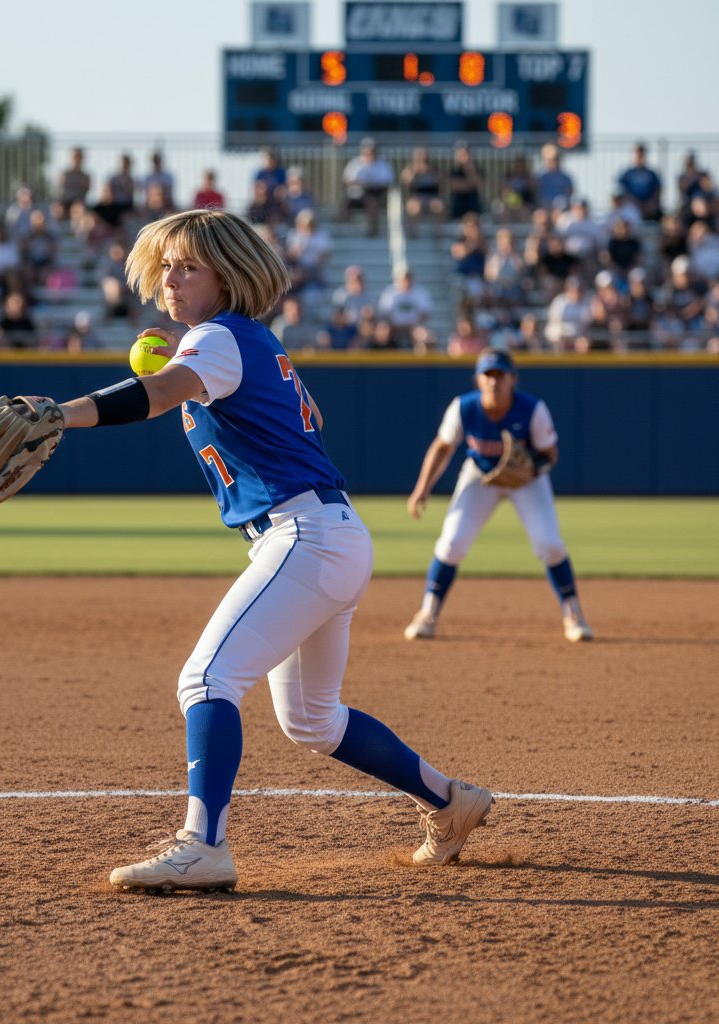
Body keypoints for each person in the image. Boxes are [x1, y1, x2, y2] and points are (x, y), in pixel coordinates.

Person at [30, 208, 493, 890]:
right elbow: (306, 415)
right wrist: (199, 357)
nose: (171, 278)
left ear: (231, 275)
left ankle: (203, 845)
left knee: (206, 680)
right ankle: (450, 802)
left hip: (303, 535)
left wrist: (59, 414)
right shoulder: (243, 341)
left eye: (188, 266)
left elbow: (158, 396)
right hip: (332, 536)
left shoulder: (219, 339)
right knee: (312, 719)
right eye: (165, 266)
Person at [404, 347, 593, 644]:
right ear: (478, 380)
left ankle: (574, 615)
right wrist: (422, 488)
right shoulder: (464, 407)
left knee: (550, 544)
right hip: (480, 476)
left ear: (512, 379)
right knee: (452, 542)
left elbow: (550, 454)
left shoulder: (532, 409)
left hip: (527, 481)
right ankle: (427, 613)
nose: (494, 381)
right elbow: (442, 447)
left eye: (499, 375)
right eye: (487, 375)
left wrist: (529, 469)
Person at [340, 138, 394, 235]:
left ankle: (373, 230)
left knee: (372, 202)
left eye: (372, 151)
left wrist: (370, 184)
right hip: (357, 194)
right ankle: (342, 229)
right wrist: (359, 183)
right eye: (367, 151)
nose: (369, 154)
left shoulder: (383, 164)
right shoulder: (355, 163)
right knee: (344, 202)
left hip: (376, 194)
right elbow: (346, 179)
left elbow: (387, 182)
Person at [617, 143, 663, 222]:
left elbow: (657, 190)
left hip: (649, 208)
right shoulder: (627, 174)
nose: (640, 157)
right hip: (632, 207)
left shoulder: (652, 174)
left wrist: (651, 204)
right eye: (638, 154)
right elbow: (623, 192)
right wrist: (636, 204)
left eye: (642, 155)